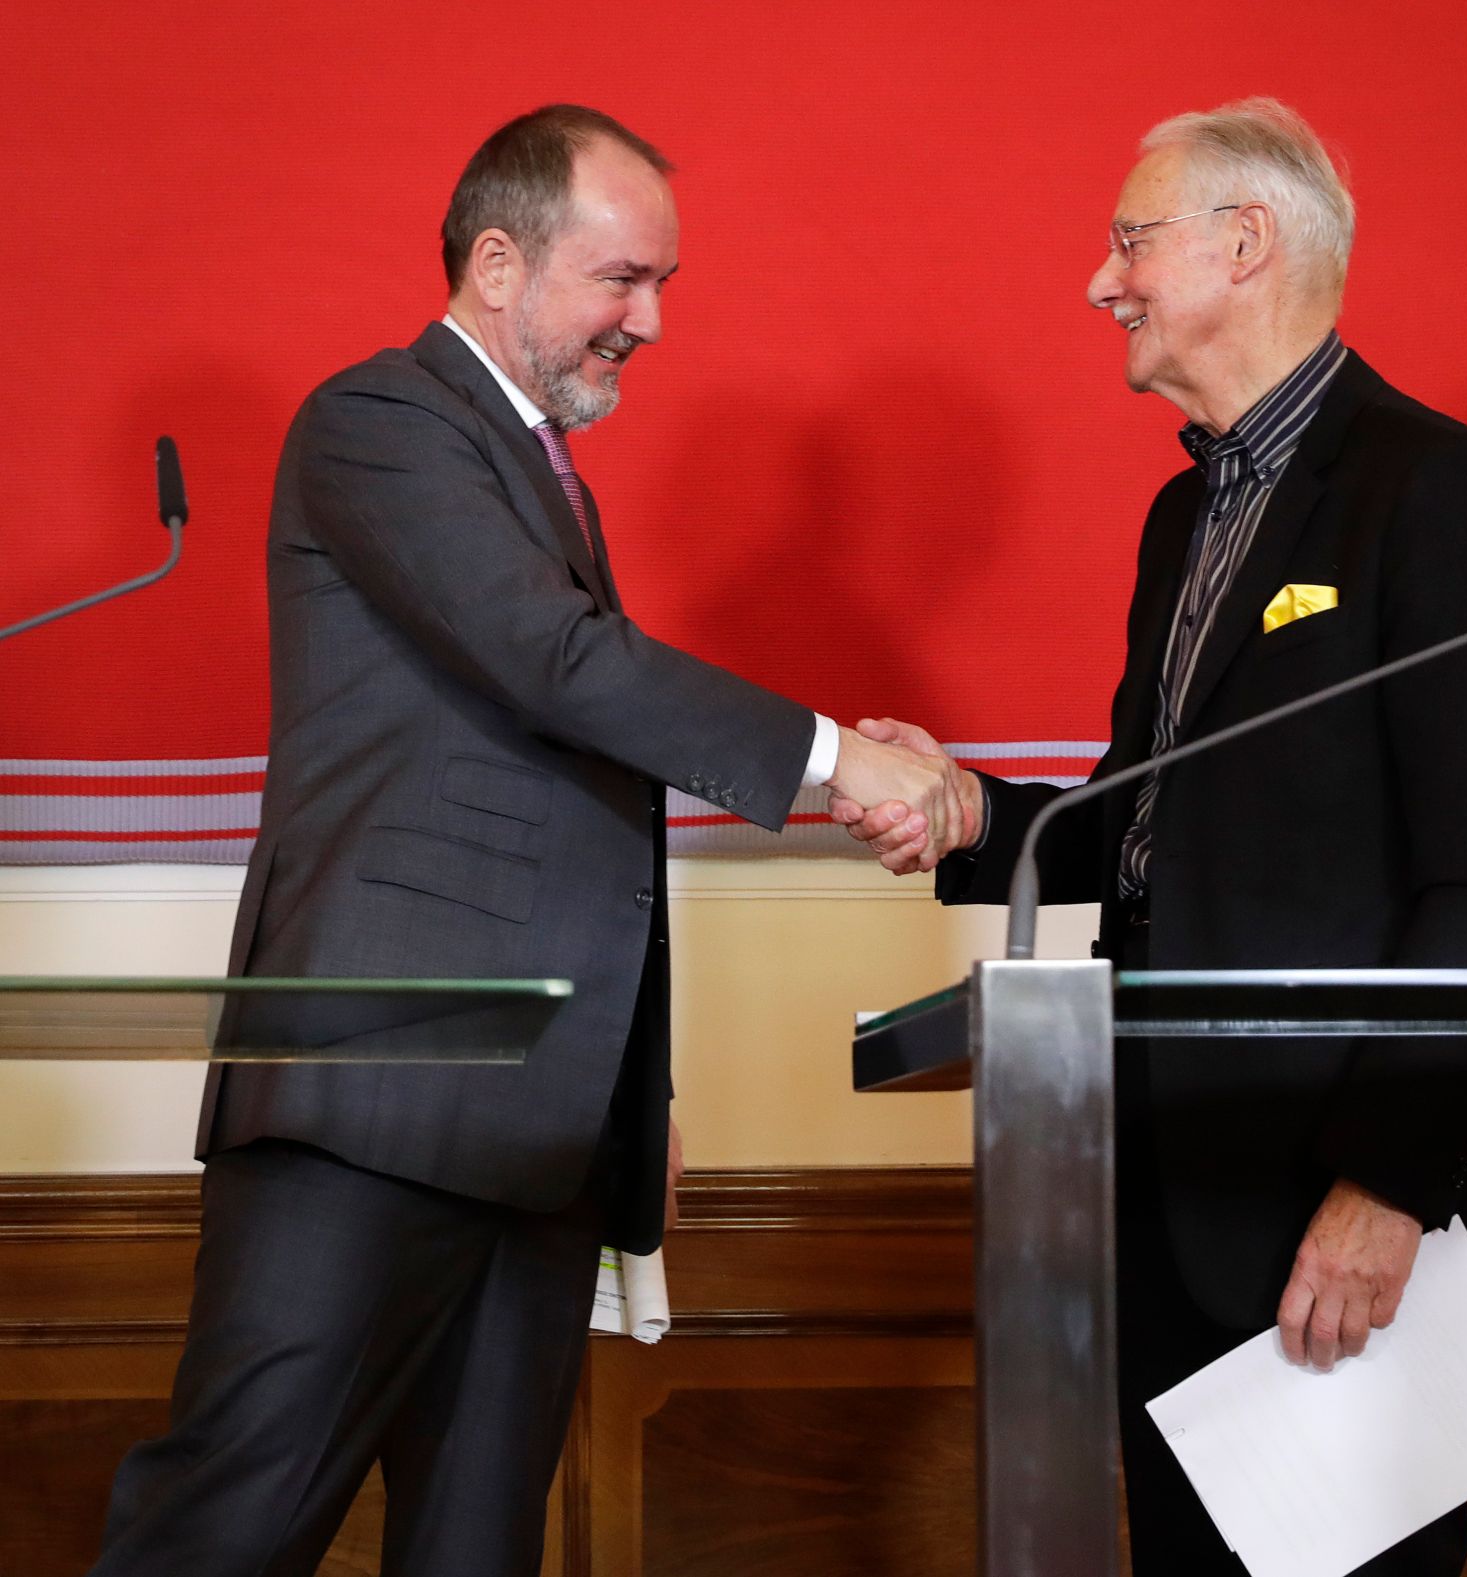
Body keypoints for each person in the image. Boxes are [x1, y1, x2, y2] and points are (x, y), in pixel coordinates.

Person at [88, 104, 966, 1577]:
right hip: (375, 1107)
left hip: (543, 1129)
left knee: (479, 1549)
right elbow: (560, 665)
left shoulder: (536, 471)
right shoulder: (379, 422)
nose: (652, 320)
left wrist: (633, 1089)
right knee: (223, 1532)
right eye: (623, 279)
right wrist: (839, 759)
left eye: (664, 283)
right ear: (498, 264)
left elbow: (572, 803)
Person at [833, 97, 1467, 1575]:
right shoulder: (1187, 518)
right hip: (1167, 1185)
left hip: (1343, 1206)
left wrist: (1389, 1189)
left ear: (1245, 243)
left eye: (1129, 241)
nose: (1099, 282)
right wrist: (972, 808)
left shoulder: (1432, 487)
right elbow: (1151, 819)